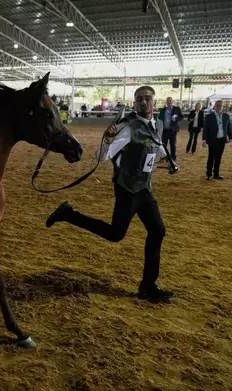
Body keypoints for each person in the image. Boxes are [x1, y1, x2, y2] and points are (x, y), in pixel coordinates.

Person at [44, 85, 174, 302]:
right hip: (127, 190)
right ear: (134, 103)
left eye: (147, 98)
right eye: (139, 99)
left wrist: (168, 159)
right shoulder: (128, 127)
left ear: (154, 102)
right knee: (116, 234)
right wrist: (107, 140)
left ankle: (148, 285)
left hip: (144, 189)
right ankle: (68, 214)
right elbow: (102, 156)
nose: (143, 102)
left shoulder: (157, 124)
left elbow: (157, 145)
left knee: (158, 231)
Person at [202, 100, 232, 180]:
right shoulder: (209, 116)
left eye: (220, 106)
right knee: (211, 157)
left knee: (219, 157)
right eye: (217, 105)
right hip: (213, 139)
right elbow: (205, 129)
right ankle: (209, 174)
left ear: (222, 107)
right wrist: (204, 139)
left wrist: (231, 137)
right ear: (214, 106)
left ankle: (216, 174)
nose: (219, 107)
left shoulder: (226, 116)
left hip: (222, 140)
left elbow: (229, 127)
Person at [158, 97, 183, 161]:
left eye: (170, 101)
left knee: (173, 145)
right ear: (166, 102)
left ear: (172, 102)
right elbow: (160, 118)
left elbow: (181, 117)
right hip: (165, 130)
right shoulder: (163, 110)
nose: (169, 102)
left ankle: (173, 158)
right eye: (167, 101)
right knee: (163, 145)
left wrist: (176, 118)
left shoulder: (176, 109)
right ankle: (163, 157)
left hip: (173, 130)